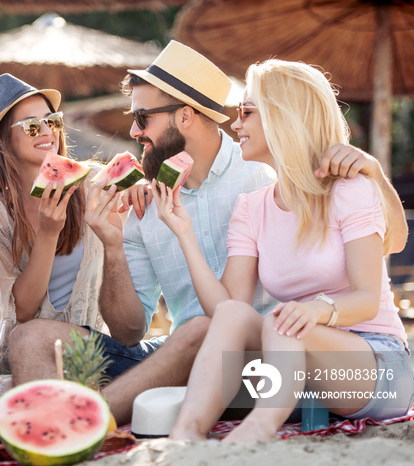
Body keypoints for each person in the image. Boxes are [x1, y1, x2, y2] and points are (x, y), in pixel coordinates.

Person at [10, 41, 409, 425]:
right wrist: (112, 245)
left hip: (271, 361)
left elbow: (386, 241)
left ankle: (81, 421)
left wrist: (372, 173)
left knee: (203, 327)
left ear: (184, 116)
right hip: (183, 357)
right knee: (29, 338)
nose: (133, 132)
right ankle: (36, 430)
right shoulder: (145, 202)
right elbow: (129, 331)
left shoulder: (263, 174)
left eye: (142, 118)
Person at [160, 59, 414, 444]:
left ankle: (253, 435)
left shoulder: (351, 190)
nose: (235, 124)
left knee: (282, 322)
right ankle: (186, 434)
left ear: (283, 116)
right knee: (237, 315)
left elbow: (365, 299)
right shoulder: (252, 207)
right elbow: (226, 309)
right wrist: (184, 233)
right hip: (296, 366)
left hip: (375, 369)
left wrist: (315, 311)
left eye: (246, 112)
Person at [0, 74, 115, 378]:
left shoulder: (92, 182)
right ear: (3, 140)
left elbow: (137, 190)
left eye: (52, 121)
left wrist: (140, 191)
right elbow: (23, 311)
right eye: (31, 126)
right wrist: (49, 234)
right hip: (25, 363)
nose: (47, 132)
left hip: (90, 357)